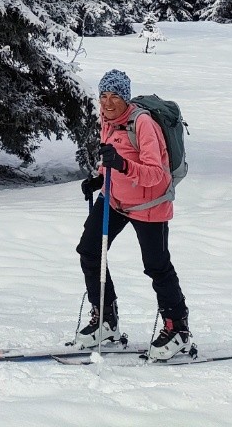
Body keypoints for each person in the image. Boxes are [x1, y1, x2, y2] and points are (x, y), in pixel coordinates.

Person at [74, 68, 194, 360]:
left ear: (126, 98)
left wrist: (123, 166)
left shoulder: (143, 124)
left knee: (156, 266)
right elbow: (110, 159)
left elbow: (156, 174)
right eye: (103, 95)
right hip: (115, 198)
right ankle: (106, 319)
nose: (108, 102)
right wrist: (100, 178)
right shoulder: (107, 121)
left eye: (115, 96)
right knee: (89, 251)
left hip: (149, 204)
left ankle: (177, 328)